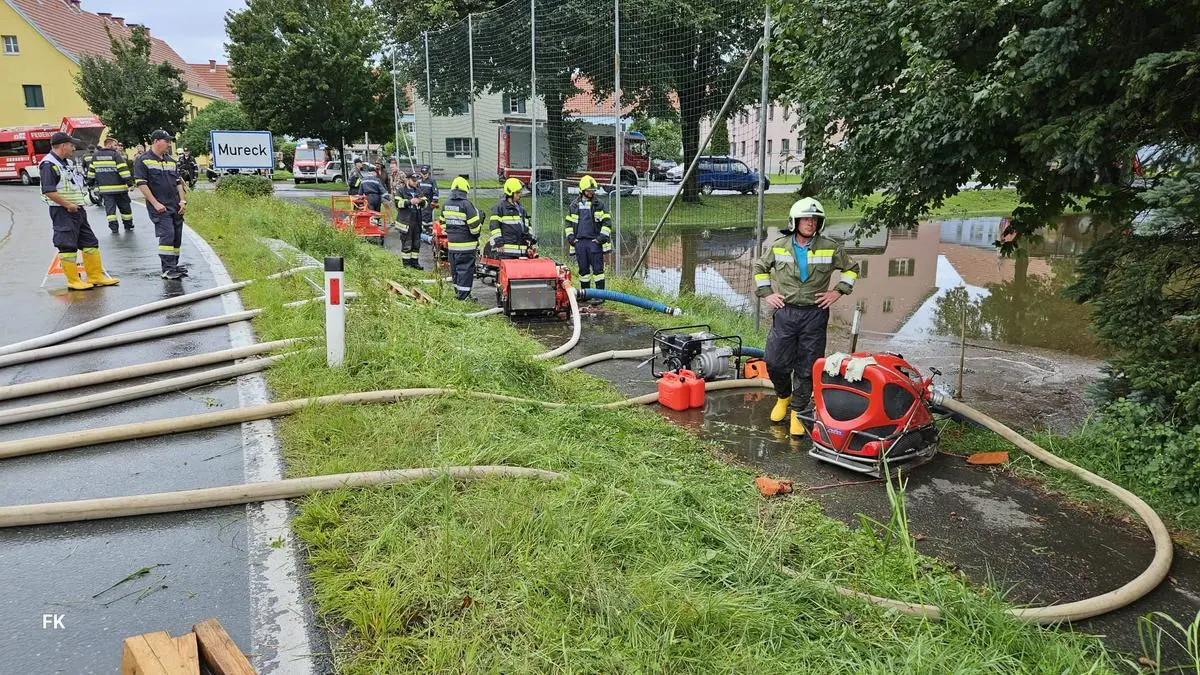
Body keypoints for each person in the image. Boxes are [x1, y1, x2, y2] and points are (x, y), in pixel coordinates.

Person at [753, 197, 860, 437]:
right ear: (794, 221)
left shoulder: (830, 246)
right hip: (786, 312)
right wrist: (767, 293)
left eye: (814, 219)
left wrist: (837, 291)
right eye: (805, 219)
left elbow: (851, 269)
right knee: (775, 362)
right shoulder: (779, 245)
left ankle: (798, 412)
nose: (810, 223)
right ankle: (783, 397)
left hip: (815, 313)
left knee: (807, 366)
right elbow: (760, 268)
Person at [39, 132, 119, 290]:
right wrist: (68, 205)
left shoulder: (65, 162)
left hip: (77, 209)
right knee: (67, 245)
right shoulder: (48, 164)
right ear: (63, 146)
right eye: (71, 145)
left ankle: (95, 276)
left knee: (90, 242)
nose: (73, 148)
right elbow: (49, 191)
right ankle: (73, 280)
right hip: (63, 211)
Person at [133, 130, 189, 280]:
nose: (169, 144)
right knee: (167, 235)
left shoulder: (171, 161)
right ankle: (167, 269)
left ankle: (174, 266)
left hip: (175, 205)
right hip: (159, 206)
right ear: (156, 141)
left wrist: (182, 201)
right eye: (167, 141)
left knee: (177, 236)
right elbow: (142, 184)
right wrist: (155, 203)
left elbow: (178, 183)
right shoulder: (143, 160)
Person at [564, 175, 612, 304]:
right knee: (583, 271)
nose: (592, 192)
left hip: (594, 243)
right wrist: (571, 238)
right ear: (582, 190)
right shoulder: (574, 205)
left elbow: (607, 223)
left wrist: (600, 239)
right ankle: (586, 295)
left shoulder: (599, 204)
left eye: (593, 190)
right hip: (579, 243)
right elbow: (568, 223)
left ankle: (600, 296)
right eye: (589, 190)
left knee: (598, 271)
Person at [441, 176, 482, 300]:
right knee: (465, 271)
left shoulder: (446, 204)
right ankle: (463, 298)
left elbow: (443, 225)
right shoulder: (466, 205)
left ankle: (458, 294)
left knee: (456, 272)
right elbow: (474, 228)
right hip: (466, 247)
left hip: (452, 247)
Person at [86, 137, 135, 232]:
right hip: (120, 189)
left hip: (105, 190)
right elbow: (123, 171)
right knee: (125, 208)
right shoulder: (115, 155)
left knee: (110, 210)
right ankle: (128, 225)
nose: (117, 147)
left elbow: (91, 173)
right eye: (115, 145)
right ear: (108, 144)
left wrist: (90, 184)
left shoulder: (95, 156)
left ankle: (114, 228)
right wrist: (130, 184)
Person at [488, 177, 535, 259]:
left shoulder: (521, 209)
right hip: (505, 252)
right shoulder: (499, 208)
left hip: (521, 252)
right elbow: (494, 227)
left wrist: (530, 240)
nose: (519, 194)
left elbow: (527, 226)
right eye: (517, 192)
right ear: (510, 193)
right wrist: (499, 243)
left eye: (520, 192)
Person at [394, 172, 426, 269]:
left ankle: (415, 263)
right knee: (407, 244)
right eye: (414, 180)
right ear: (407, 180)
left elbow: (426, 203)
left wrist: (421, 201)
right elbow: (397, 203)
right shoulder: (401, 191)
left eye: (416, 180)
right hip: (406, 223)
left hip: (417, 221)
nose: (416, 182)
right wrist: (409, 202)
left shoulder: (418, 191)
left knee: (416, 244)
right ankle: (407, 265)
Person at [416, 164, 439, 232]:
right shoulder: (419, 180)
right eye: (423, 174)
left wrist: (434, 201)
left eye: (425, 174)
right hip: (421, 201)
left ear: (428, 173)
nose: (424, 175)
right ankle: (422, 229)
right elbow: (417, 190)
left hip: (429, 201)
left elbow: (435, 191)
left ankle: (428, 229)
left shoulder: (432, 180)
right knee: (420, 215)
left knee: (428, 216)